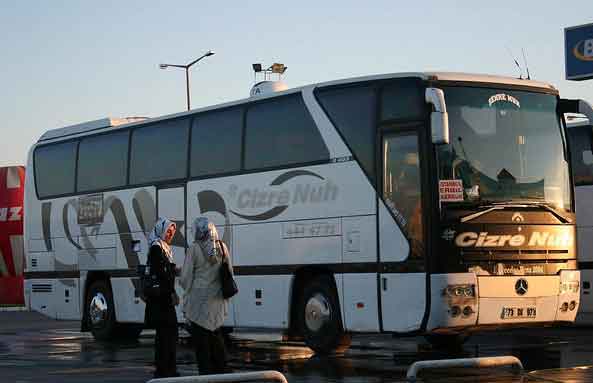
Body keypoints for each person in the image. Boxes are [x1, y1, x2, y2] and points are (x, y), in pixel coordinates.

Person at [180, 217, 231, 375]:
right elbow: (229, 273)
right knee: (216, 340)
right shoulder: (222, 247)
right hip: (217, 302)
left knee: (202, 348)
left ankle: (206, 376)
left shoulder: (194, 248)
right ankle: (221, 374)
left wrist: (185, 290)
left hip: (199, 306)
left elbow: (186, 278)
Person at [144, 218, 180, 379]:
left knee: (169, 335)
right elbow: (162, 273)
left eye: (172, 232)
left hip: (164, 298)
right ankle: (164, 370)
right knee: (166, 335)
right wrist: (172, 291)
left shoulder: (164, 248)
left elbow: (165, 272)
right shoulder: (156, 248)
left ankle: (168, 369)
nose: (171, 234)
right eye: (168, 231)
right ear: (161, 231)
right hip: (160, 300)